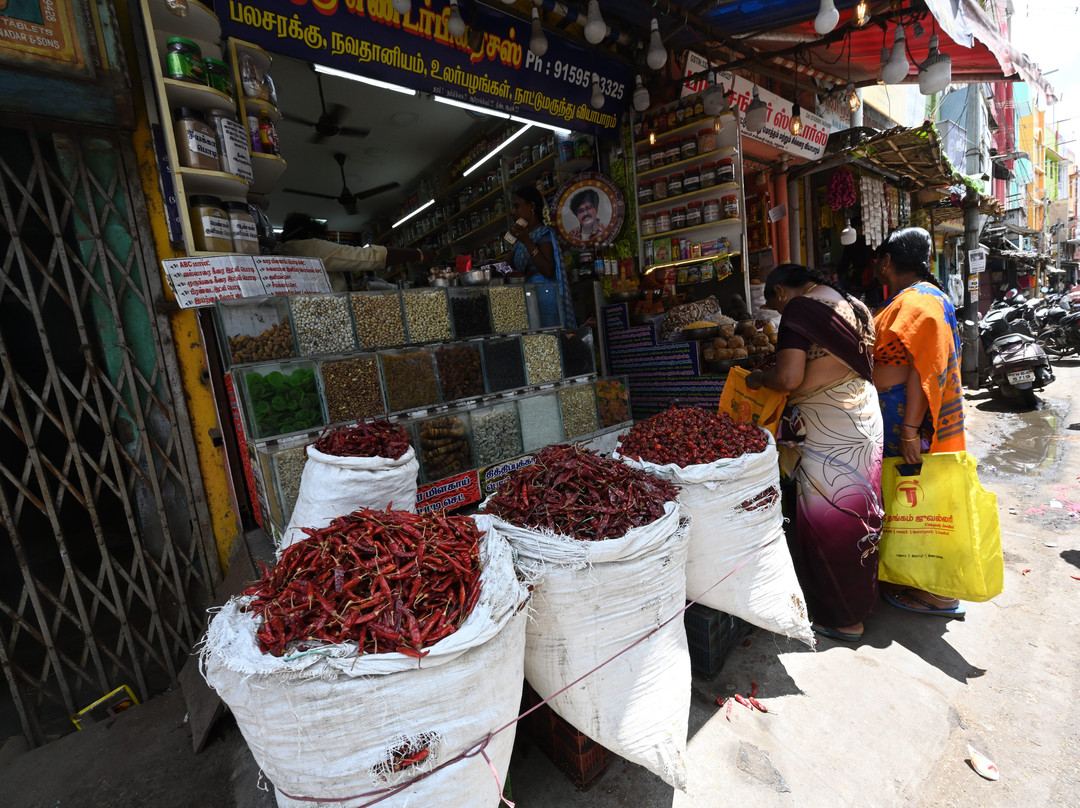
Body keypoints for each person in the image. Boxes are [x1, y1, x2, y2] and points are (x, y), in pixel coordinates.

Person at [746, 263, 883, 642]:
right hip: (863, 415)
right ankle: (860, 604)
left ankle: (842, 618)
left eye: (772, 302)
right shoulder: (853, 304)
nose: (776, 309)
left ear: (780, 291)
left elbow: (789, 378)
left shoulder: (801, 308)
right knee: (861, 512)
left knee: (829, 519)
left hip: (830, 425)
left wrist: (761, 379)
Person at [872, 227, 967, 619]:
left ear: (888, 262)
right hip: (909, 419)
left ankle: (937, 593)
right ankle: (916, 579)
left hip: (907, 422)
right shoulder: (929, 297)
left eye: (879, 260)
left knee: (919, 504)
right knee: (914, 501)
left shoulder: (918, 303)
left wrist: (909, 429)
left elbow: (920, 370)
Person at [278, 213, 433, 292]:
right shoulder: (310, 247)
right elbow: (366, 258)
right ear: (310, 233)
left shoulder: (283, 251)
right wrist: (418, 254)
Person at [507, 186, 577, 328]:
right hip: (529, 297)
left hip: (545, 296)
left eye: (517, 206)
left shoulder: (543, 233)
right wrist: (513, 240)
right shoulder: (522, 238)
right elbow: (507, 267)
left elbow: (548, 269)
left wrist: (527, 242)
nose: (513, 212)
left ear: (532, 206)